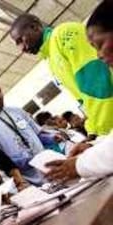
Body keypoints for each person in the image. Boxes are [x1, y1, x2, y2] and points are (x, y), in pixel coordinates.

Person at [10, 13, 113, 136]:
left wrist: (99, 132)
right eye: (18, 44)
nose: (22, 48)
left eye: (21, 40)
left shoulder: (63, 34)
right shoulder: (51, 58)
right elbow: (83, 98)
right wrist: (93, 129)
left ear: (34, 27)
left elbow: (98, 85)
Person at [46, 0, 113, 182]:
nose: (98, 55)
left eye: (100, 44)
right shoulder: (51, 58)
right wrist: (93, 145)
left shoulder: (62, 35)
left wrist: (78, 165)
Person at [0, 80, 61, 186]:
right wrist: (26, 161)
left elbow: (37, 135)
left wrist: (52, 138)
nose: (0, 97)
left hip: (48, 167)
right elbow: (0, 159)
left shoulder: (16, 111)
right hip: (29, 179)